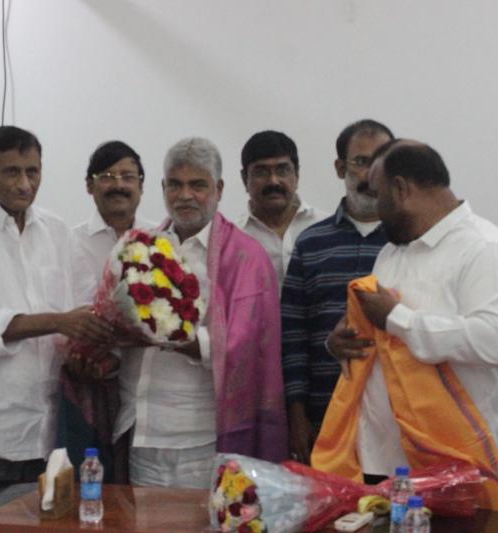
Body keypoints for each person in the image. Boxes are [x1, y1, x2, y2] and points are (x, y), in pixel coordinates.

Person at [313, 140, 498, 512]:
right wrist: (343, 343)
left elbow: (497, 340)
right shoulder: (392, 252)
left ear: (401, 189)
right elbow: (384, 342)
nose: (376, 211)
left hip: (457, 466)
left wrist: (398, 319)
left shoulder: (486, 248)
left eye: (379, 196)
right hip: (381, 462)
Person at [0, 126, 113, 488]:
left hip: (47, 436)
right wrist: (58, 322)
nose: (24, 184)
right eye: (12, 172)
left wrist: (92, 349)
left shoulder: (56, 230)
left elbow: (83, 305)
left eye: (33, 172)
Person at [111, 137, 287, 488]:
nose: (185, 195)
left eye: (198, 185)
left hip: (204, 438)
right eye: (175, 185)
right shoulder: (139, 248)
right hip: (142, 433)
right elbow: (115, 322)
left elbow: (246, 345)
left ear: (219, 189)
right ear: (162, 187)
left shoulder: (246, 256)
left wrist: (166, 336)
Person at [281, 119, 393, 465]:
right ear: (340, 168)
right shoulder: (311, 242)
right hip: (324, 415)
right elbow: (293, 336)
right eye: (360, 162)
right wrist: (297, 416)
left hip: (393, 419)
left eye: (381, 161)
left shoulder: (410, 243)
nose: (371, 173)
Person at [60, 141, 155, 481]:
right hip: (84, 385)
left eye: (128, 177)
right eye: (108, 177)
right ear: (90, 185)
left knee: (135, 488)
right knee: (88, 482)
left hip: (145, 390)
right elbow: (62, 310)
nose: (119, 185)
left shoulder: (159, 241)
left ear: (141, 186)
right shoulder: (67, 241)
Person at [237, 130, 328, 289]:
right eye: (262, 172)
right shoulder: (232, 239)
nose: (273, 181)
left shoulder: (326, 228)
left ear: (297, 175)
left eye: (282, 170)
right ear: (245, 179)